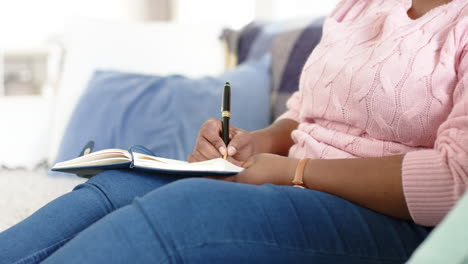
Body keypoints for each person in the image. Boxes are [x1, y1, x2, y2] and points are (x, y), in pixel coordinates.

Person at [1, 0, 467, 263]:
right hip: (291, 182)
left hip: (389, 221)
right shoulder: (359, 7)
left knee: (191, 207)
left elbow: (454, 183)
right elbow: (307, 113)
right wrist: (257, 143)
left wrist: (291, 172)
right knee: (127, 180)